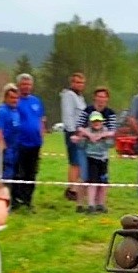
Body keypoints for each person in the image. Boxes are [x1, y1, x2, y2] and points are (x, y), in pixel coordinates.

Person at [74, 86, 118, 211]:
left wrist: (100, 136)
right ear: (95, 98)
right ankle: (80, 203)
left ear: (107, 99)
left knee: (101, 179)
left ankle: (99, 204)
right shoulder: (87, 110)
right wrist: (90, 135)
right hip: (85, 149)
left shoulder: (110, 113)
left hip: (101, 151)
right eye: (99, 96)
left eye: (103, 97)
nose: (101, 99)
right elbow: (79, 127)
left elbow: (112, 132)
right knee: (84, 176)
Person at [12, 73, 46, 210]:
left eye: (29, 84)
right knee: (18, 172)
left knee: (31, 173)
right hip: (20, 143)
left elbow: (41, 120)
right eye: (24, 84)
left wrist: (42, 135)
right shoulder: (15, 101)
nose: (26, 87)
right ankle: (16, 199)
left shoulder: (36, 101)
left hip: (35, 143)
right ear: (19, 85)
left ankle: (28, 200)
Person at [60, 73, 87, 203]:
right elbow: (68, 115)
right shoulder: (68, 95)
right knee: (75, 162)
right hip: (73, 133)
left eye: (81, 83)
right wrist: (73, 132)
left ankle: (77, 187)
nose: (79, 85)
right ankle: (72, 189)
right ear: (72, 83)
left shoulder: (80, 97)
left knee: (80, 162)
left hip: (81, 133)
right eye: (76, 82)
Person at [81, 111, 114, 213]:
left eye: (98, 121)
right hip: (91, 159)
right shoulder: (87, 132)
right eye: (94, 121)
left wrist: (105, 138)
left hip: (103, 160)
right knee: (92, 182)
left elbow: (110, 144)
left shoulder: (106, 131)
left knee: (103, 183)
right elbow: (81, 145)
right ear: (90, 122)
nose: (96, 123)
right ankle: (91, 204)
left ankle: (101, 204)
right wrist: (81, 139)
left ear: (102, 122)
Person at [0, 84, 22, 187]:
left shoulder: (15, 111)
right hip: (6, 150)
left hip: (15, 148)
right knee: (4, 178)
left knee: (12, 177)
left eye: (16, 98)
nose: (14, 100)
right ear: (6, 98)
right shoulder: (2, 111)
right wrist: (3, 148)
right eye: (11, 98)